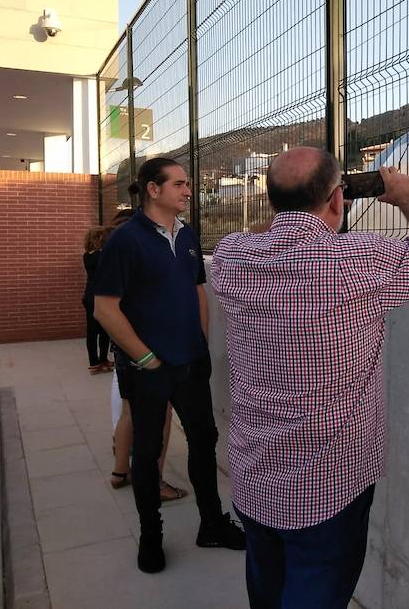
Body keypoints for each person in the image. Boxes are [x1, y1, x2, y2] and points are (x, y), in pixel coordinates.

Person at [211, 147, 409, 608]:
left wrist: (293, 216)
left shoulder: (231, 257)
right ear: (338, 199)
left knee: (266, 590)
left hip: (253, 475)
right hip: (327, 487)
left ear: (272, 201)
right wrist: (404, 197)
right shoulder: (361, 262)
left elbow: (267, 234)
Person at [93, 158, 244, 574]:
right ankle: (150, 536)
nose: (188, 190)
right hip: (150, 368)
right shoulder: (126, 240)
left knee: (204, 441)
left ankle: (212, 524)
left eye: (188, 183)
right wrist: (145, 358)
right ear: (153, 190)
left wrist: (199, 344)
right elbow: (104, 308)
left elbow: (198, 292)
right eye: (179, 184)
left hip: (191, 363)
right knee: (147, 451)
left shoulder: (188, 235)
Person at [103, 208, 186, 503]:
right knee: (159, 416)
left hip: (125, 349)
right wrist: (149, 358)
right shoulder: (132, 255)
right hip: (145, 349)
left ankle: (119, 471)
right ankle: (155, 483)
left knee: (128, 412)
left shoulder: (111, 258)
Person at [82, 226, 112, 374]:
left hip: (90, 295)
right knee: (99, 330)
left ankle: (99, 360)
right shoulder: (99, 255)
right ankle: (97, 362)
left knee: (97, 331)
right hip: (97, 297)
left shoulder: (87, 255)